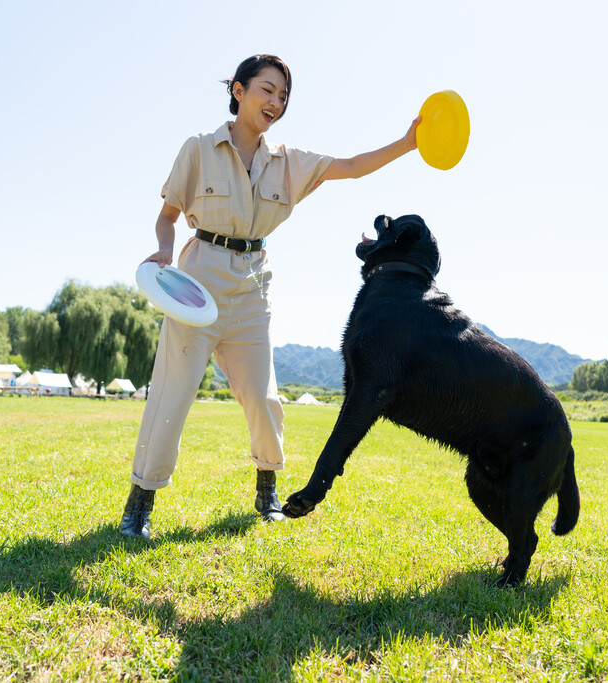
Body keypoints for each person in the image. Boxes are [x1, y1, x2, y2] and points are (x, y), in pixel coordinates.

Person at [120, 54, 419, 539]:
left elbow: (350, 166)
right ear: (238, 90)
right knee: (172, 394)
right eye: (267, 90)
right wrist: (162, 252)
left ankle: (267, 489)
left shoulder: (289, 162)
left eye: (283, 96)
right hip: (199, 279)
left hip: (253, 286)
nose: (275, 102)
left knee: (262, 397)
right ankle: (140, 502)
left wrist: (407, 143)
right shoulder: (198, 149)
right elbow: (168, 215)